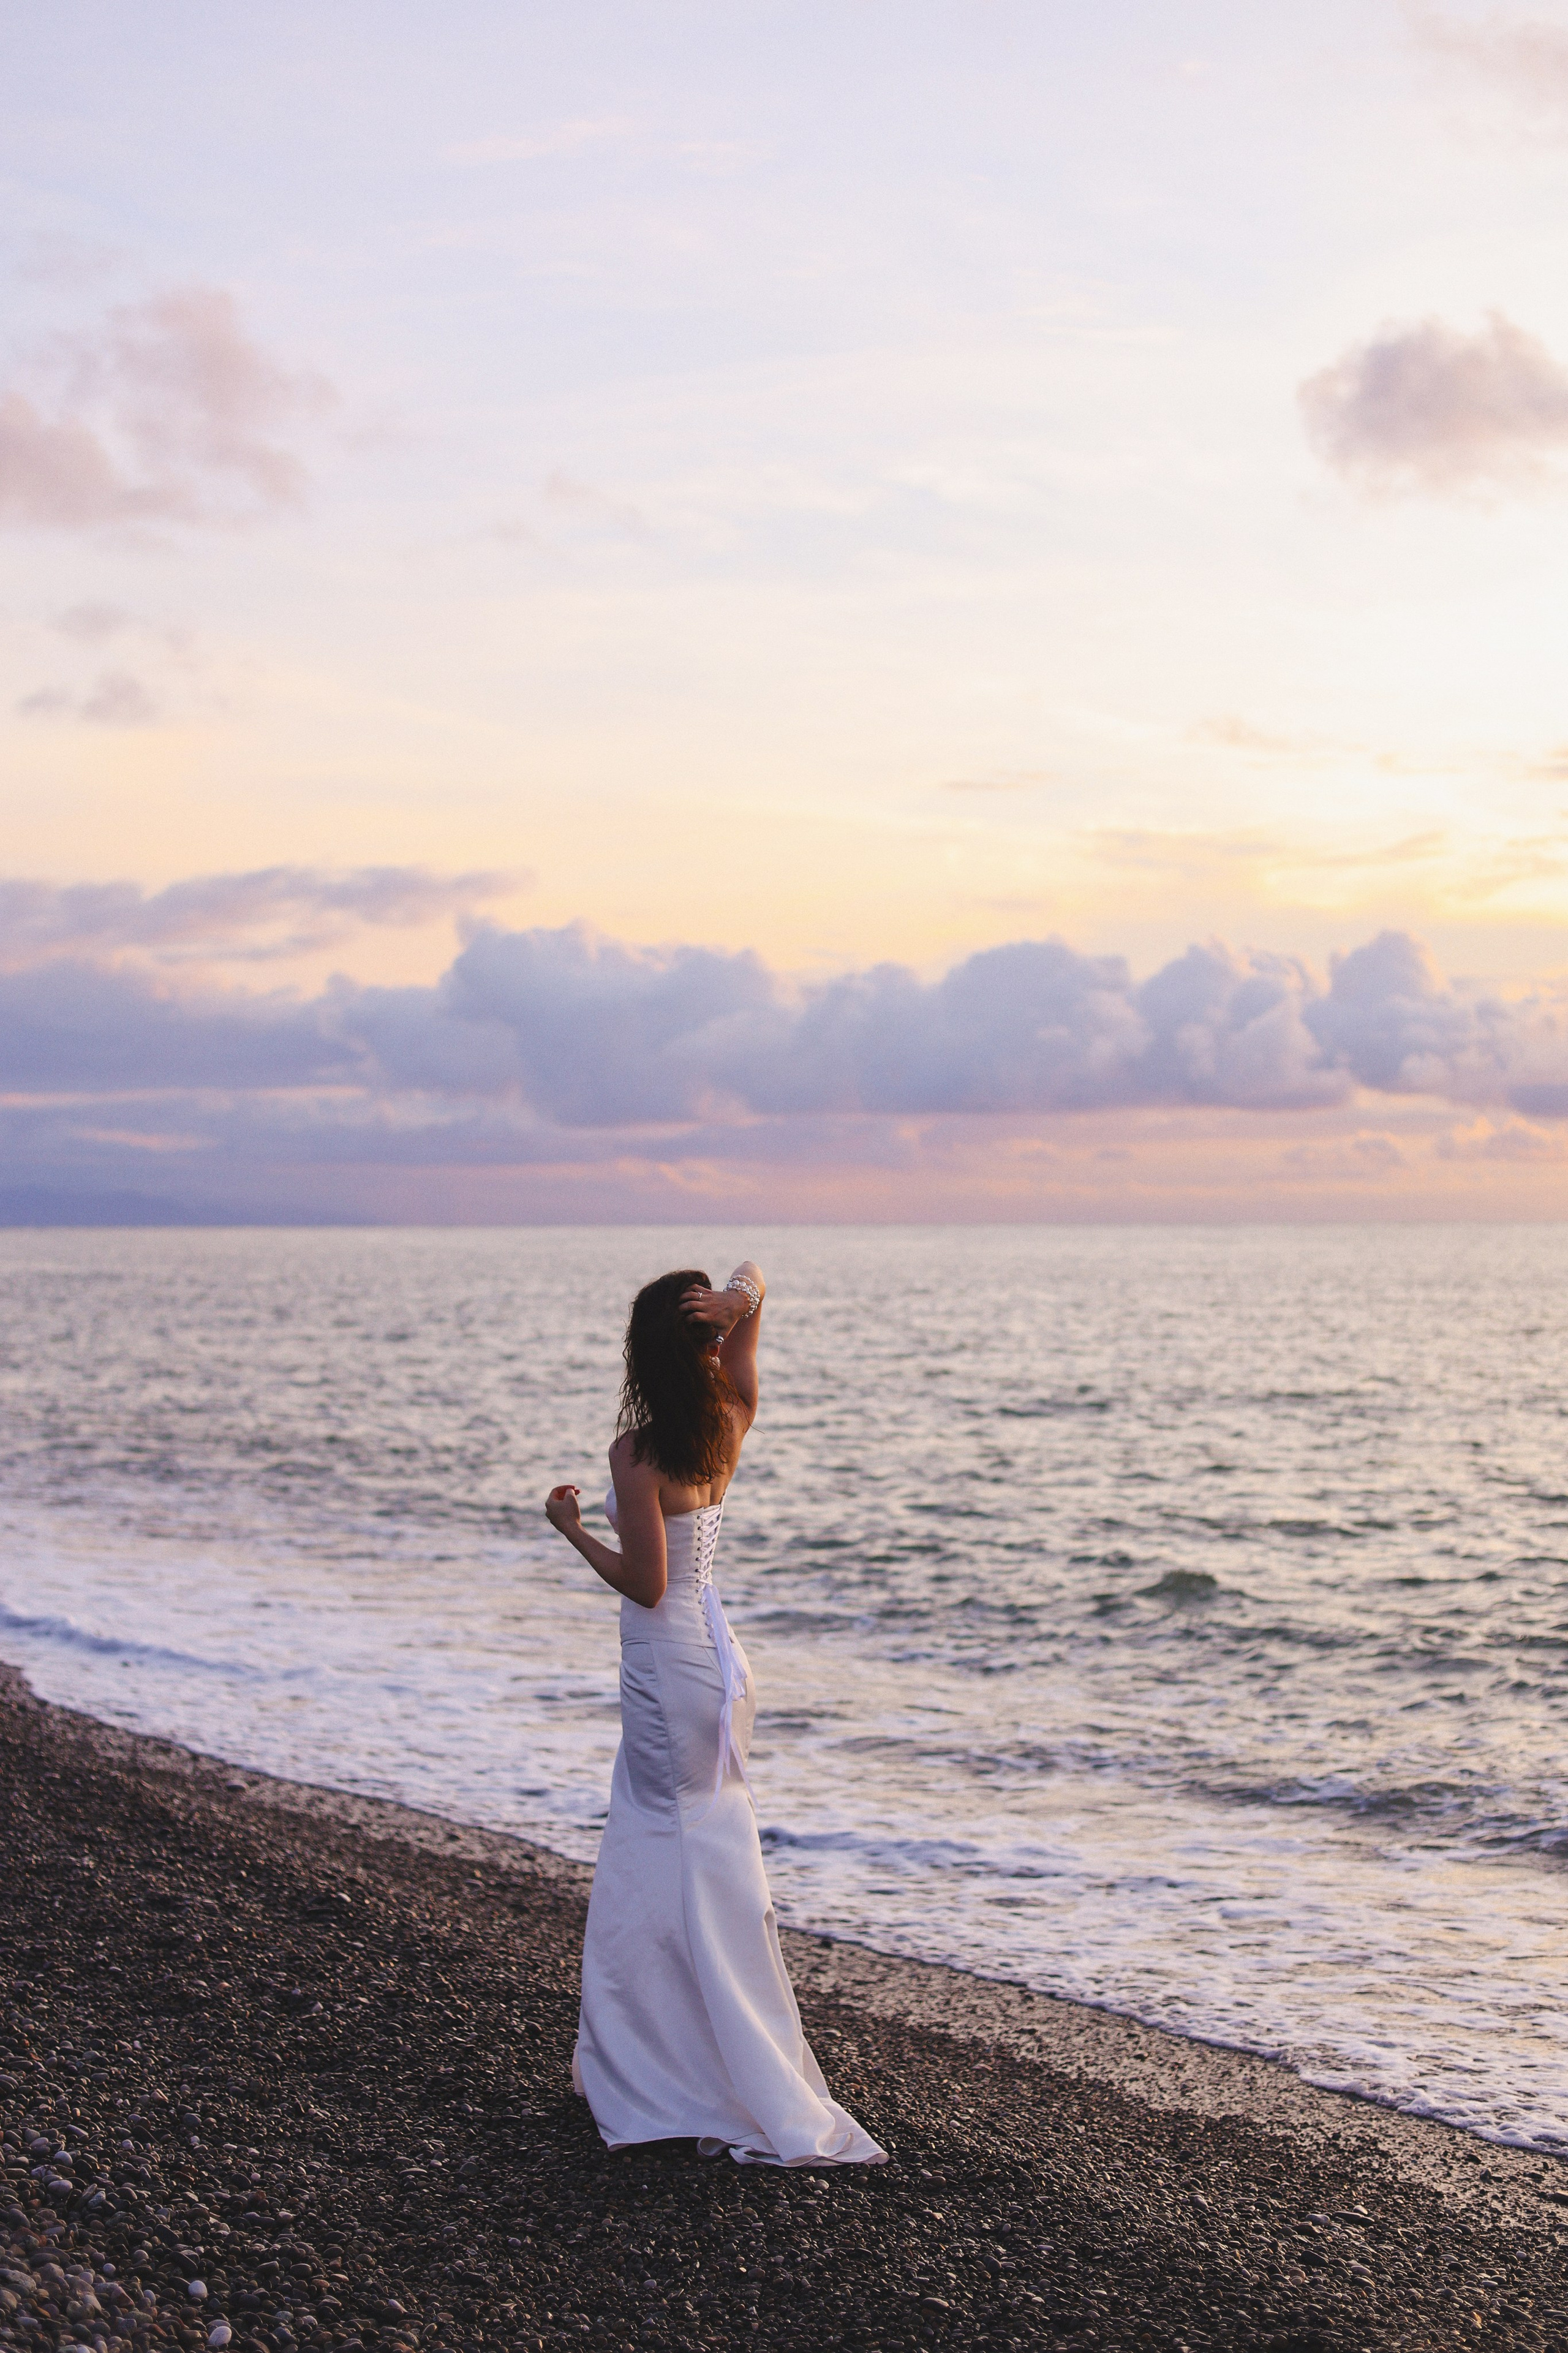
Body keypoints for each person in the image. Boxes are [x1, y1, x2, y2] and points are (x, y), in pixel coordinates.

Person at [544, 1260, 886, 2168]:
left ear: (642, 1353)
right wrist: (746, 1300)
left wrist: (577, 1530)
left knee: (656, 1851)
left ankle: (660, 2062)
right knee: (699, 1851)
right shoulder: (730, 1419)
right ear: (707, 1344)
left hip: (665, 1666)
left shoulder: (638, 1453)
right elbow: (757, 1280)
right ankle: (672, 2050)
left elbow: (646, 1583)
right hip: (717, 1663)